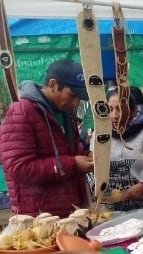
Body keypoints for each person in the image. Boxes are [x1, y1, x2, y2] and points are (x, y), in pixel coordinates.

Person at [0, 59, 93, 217]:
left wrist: (86, 156)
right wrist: (72, 164)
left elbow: (72, 147)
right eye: (72, 95)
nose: (75, 103)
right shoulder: (21, 110)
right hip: (40, 215)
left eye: (79, 97)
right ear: (53, 85)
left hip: (70, 208)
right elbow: (18, 167)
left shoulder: (66, 111)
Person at [92, 86, 143, 212]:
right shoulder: (99, 136)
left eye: (120, 109)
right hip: (110, 213)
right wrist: (95, 187)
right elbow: (92, 168)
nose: (114, 115)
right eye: (110, 109)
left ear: (133, 111)